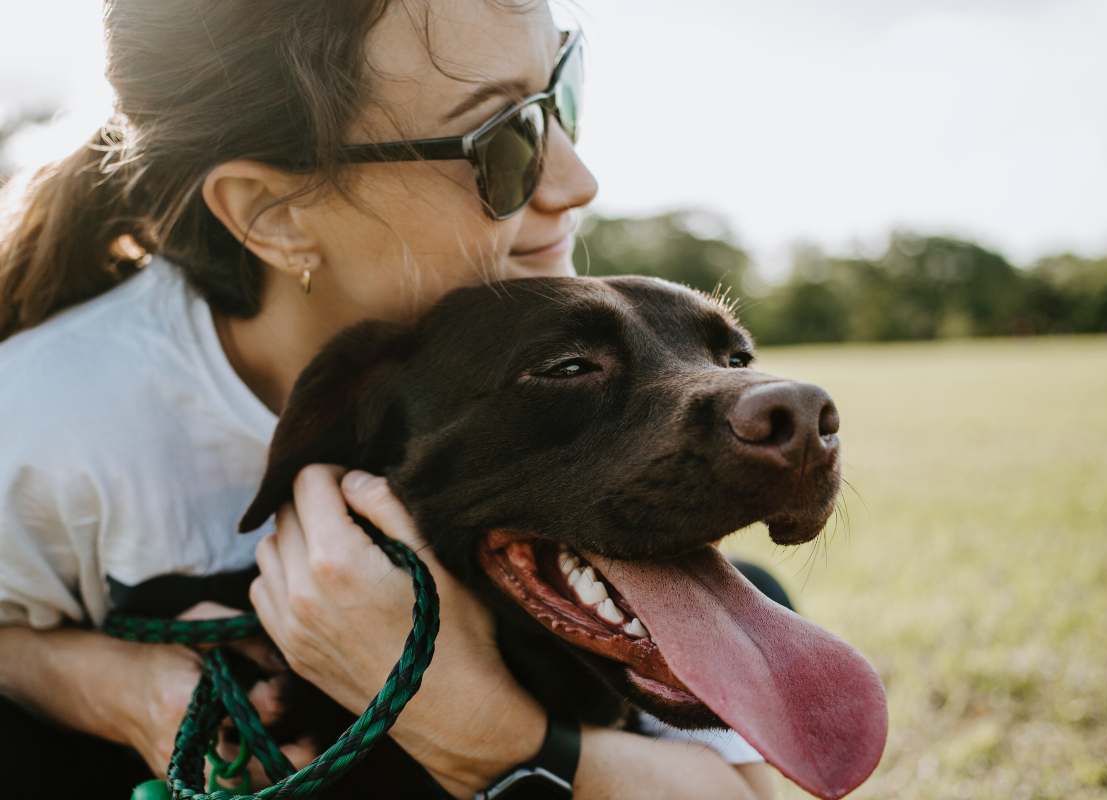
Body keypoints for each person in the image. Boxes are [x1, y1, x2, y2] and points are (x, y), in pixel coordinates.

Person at [0, 2, 780, 798]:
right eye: (502, 141)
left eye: (561, 93)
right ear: (274, 214)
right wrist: (121, 687)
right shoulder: (43, 424)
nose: (578, 179)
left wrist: (469, 721)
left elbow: (746, 793)